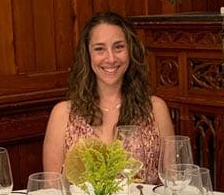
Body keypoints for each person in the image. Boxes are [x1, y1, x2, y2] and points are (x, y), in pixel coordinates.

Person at [43, 11, 174, 183]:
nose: (111, 58)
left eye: (118, 47)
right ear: (87, 55)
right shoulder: (62, 114)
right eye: (99, 49)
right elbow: (52, 190)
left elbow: (174, 182)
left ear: (130, 50)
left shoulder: (156, 109)